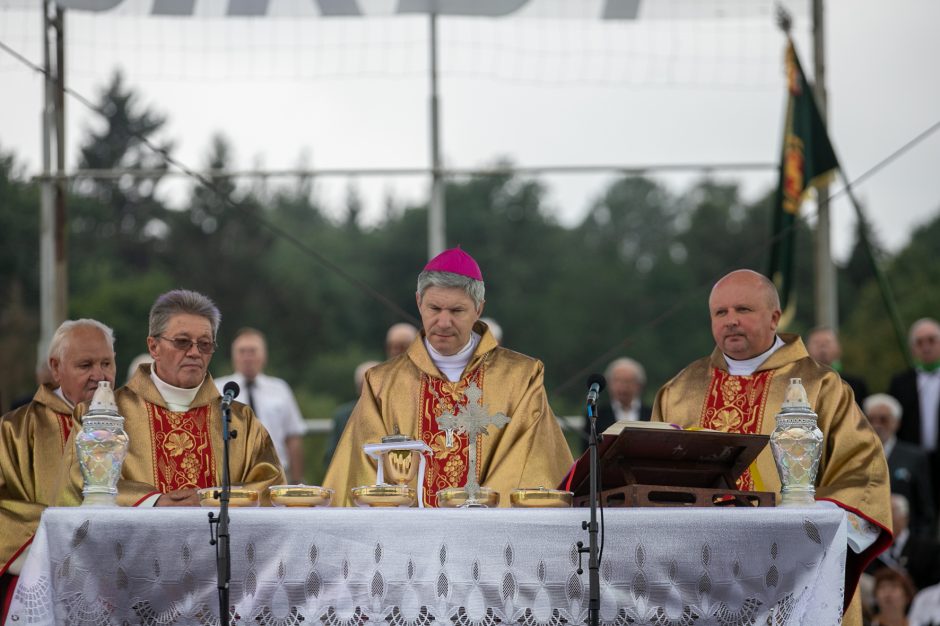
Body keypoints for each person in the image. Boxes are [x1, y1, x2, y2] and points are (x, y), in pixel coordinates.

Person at [650, 269, 892, 626]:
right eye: (721, 313)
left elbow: (863, 472)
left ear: (775, 317)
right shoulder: (680, 391)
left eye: (743, 310)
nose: (731, 321)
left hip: (794, 566)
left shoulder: (821, 386)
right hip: (701, 570)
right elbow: (653, 474)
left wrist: (808, 525)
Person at [324, 247, 573, 507]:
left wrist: (475, 518)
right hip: (407, 538)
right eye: (434, 308)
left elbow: (529, 464)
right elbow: (359, 474)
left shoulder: (521, 378)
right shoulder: (382, 383)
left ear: (479, 308)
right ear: (419, 302)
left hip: (488, 535)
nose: (443, 322)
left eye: (456, 311)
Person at [58, 289, 285, 507]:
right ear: (154, 346)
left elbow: (270, 485)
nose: (195, 352)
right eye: (182, 342)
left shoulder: (239, 419)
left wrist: (211, 498)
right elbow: (80, 481)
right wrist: (153, 501)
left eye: (204, 344)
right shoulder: (101, 415)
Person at [0, 319, 117, 621]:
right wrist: (62, 534)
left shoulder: (133, 422)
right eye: (85, 365)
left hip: (117, 577)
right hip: (39, 575)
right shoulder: (15, 429)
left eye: (107, 363)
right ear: (56, 367)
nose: (99, 376)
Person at [215, 328, 307, 483]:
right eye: (242, 351)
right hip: (233, 477)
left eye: (252, 351)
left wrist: (297, 482)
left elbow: (293, 438)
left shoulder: (280, 389)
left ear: (264, 355)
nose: (247, 357)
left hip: (276, 474)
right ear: (233, 356)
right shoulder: (218, 389)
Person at [864, 393, 936, 537]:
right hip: (865, 538)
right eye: (871, 419)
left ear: (896, 423)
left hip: (905, 541)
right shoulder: (854, 456)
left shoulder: (915, 457)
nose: (877, 424)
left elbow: (925, 509)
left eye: (883, 419)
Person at [889, 318, 940, 505]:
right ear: (913, 349)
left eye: (931, 340)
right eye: (920, 342)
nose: (926, 347)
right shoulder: (901, 382)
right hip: (913, 457)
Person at [868, 494, 940, 593]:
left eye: (891, 512)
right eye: (881, 513)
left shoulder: (929, 550)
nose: (885, 519)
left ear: (905, 517)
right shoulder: (868, 551)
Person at [324, 360, 379, 470]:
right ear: (358, 388)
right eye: (365, 385)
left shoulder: (395, 414)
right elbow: (331, 458)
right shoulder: (342, 416)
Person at [584, 356, 651, 442]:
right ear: (609, 384)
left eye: (628, 381)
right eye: (617, 381)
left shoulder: (652, 413)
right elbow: (586, 449)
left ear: (639, 385)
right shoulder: (596, 415)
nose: (623, 387)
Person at [806, 326, 869, 402]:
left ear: (838, 349)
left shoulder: (855, 385)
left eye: (827, 342)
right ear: (806, 349)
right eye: (816, 343)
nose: (822, 347)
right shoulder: (799, 385)